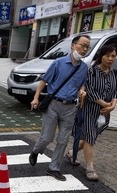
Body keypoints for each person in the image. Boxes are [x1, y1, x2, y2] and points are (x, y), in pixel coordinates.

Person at [28, 34, 90, 181]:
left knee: (63, 140)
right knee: (47, 138)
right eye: (82, 45)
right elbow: (44, 81)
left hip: (70, 108)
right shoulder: (58, 63)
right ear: (73, 45)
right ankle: (36, 151)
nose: (85, 49)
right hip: (53, 105)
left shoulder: (84, 68)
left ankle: (53, 168)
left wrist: (82, 91)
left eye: (87, 47)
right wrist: (36, 98)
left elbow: (82, 84)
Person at [67, 44, 117, 181]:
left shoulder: (114, 73)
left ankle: (72, 152)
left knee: (89, 138)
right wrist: (105, 104)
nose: (110, 59)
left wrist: (112, 105)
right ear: (101, 56)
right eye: (107, 55)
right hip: (90, 110)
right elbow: (90, 91)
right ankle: (90, 168)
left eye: (113, 56)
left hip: (104, 112)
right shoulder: (92, 72)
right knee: (90, 138)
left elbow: (116, 91)